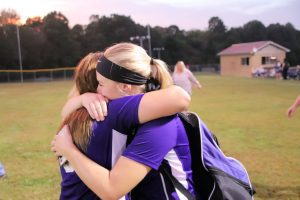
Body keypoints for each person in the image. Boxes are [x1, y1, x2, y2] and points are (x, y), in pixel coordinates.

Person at [53, 43, 192, 199]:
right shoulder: (110, 110)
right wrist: (83, 99)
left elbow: (180, 97)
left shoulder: (87, 114)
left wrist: (69, 149)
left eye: (101, 84)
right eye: (97, 84)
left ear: (125, 86)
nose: (98, 91)